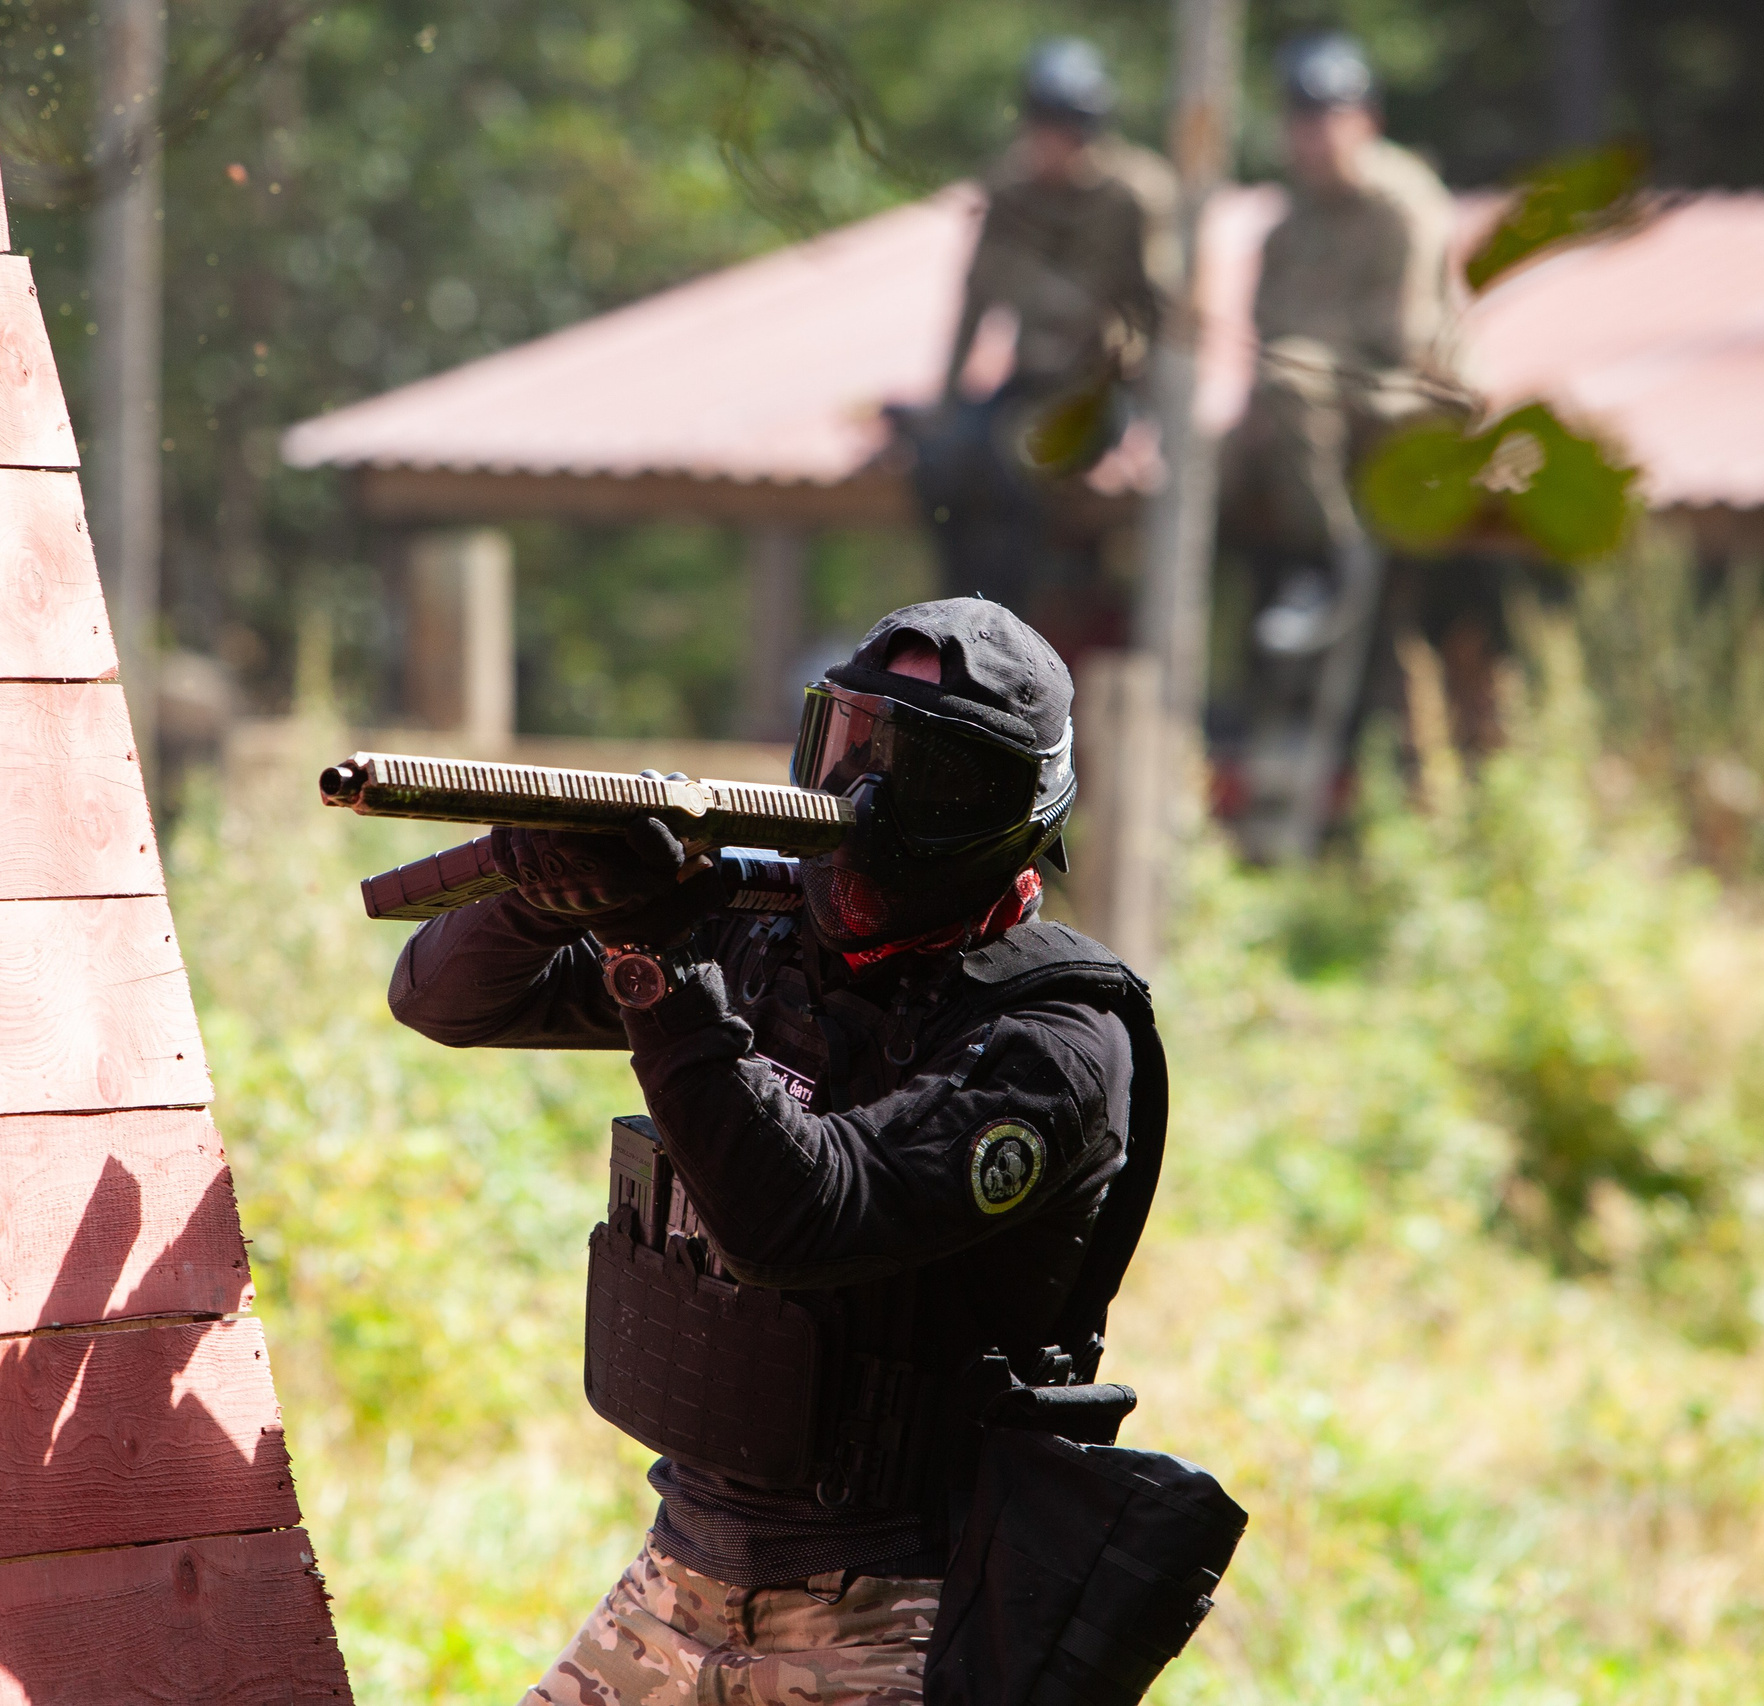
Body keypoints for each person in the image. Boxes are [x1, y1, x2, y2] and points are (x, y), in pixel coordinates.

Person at [388, 599, 1165, 1705]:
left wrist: (655, 959)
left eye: (928, 776)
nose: (867, 802)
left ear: (1011, 812)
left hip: (902, 1605)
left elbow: (800, 1219)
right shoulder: (763, 934)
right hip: (687, 1566)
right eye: (852, 748)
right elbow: (442, 1000)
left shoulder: (1056, 1044)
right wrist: (544, 888)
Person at [1224, 31, 1475, 852]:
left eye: (1328, 117)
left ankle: (1327, 564)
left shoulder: (1402, 200)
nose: (1313, 135)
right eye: (1301, 118)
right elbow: (1261, 332)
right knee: (1219, 452)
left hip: (1407, 397)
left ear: (1363, 119)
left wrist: (1292, 365)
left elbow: (1394, 338)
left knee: (1292, 382)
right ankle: (1239, 646)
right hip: (1318, 406)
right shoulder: (1287, 221)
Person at [905, 40, 1178, 652]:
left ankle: (1006, 631)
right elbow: (974, 304)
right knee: (943, 459)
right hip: (1029, 384)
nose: (1055, 144)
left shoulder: (1134, 195)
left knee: (1015, 464)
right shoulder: (1010, 190)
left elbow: (1164, 318)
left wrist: (1154, 429)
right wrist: (944, 405)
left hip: (1102, 393)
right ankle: (959, 617)